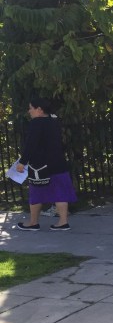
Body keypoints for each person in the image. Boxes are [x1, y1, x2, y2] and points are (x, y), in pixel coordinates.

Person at [15, 98, 77, 231]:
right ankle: (63, 222)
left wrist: (22, 162)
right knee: (60, 191)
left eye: (31, 108)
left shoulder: (36, 123)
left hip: (40, 165)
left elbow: (30, 145)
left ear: (39, 109)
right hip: (57, 162)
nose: (29, 111)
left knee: (36, 193)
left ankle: (33, 222)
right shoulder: (54, 121)